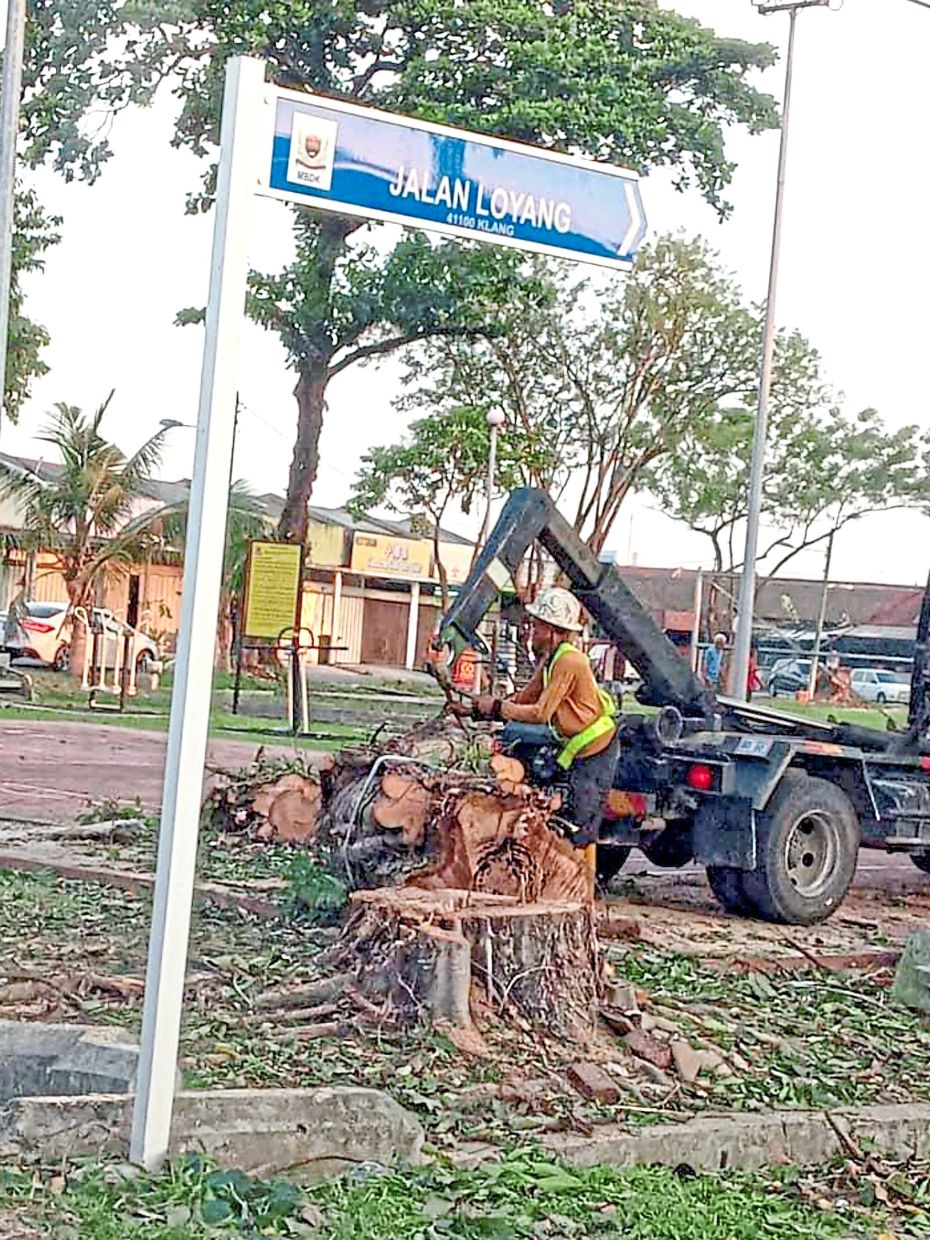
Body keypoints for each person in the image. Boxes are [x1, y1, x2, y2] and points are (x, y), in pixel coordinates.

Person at [453, 587, 619, 866]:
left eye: (537, 627)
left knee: (582, 823)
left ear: (554, 630)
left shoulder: (569, 660)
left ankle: (584, 894)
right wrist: (476, 709)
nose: (532, 633)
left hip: (596, 749)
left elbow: (541, 712)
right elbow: (523, 698)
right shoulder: (552, 660)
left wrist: (496, 707)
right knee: (564, 808)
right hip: (575, 745)